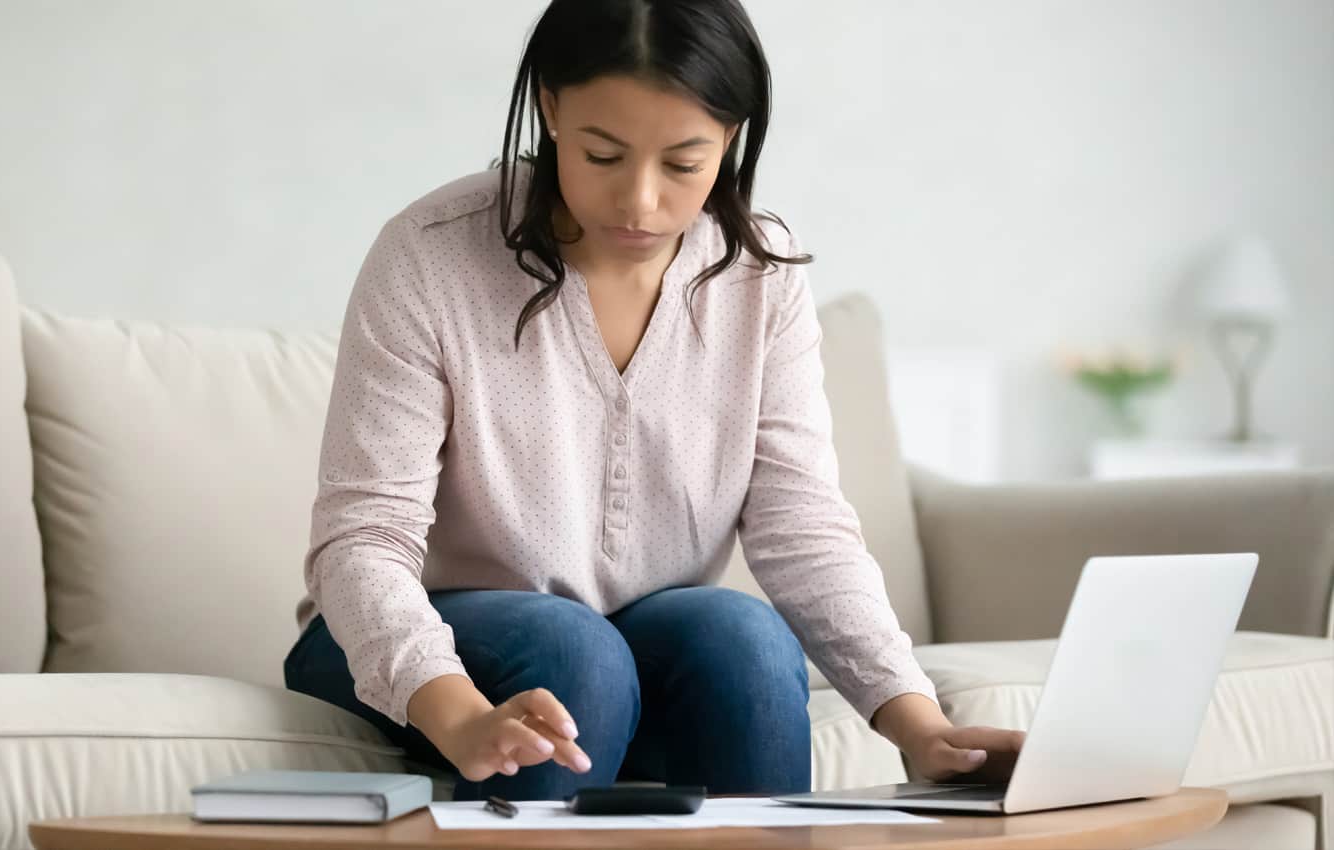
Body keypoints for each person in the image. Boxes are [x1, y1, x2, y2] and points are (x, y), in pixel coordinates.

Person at [285, 0, 1025, 802]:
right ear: (550, 107)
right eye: (602, 155)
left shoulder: (760, 276)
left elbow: (802, 526)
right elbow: (363, 539)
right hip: (414, 637)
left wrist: (919, 725)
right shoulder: (430, 255)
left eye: (682, 163)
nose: (639, 202)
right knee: (573, 651)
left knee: (743, 637)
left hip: (634, 636)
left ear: (731, 137)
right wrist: (457, 714)